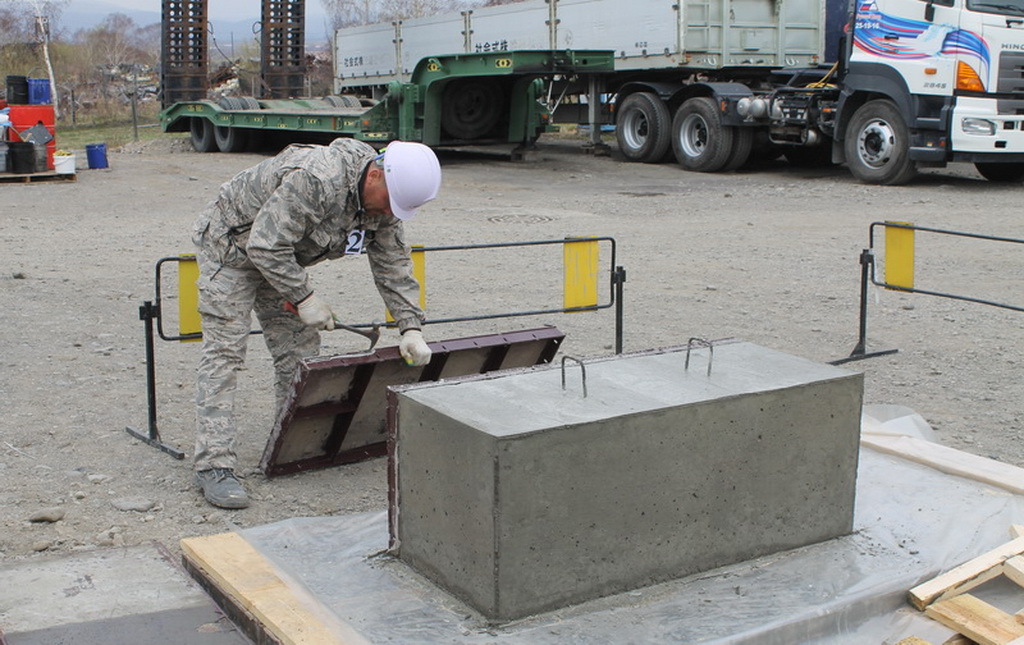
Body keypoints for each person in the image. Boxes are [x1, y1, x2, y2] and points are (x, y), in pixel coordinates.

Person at [190, 138, 442, 509]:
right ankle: (214, 465)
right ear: (375, 173)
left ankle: (286, 450)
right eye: (390, 201)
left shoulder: (388, 199)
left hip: (283, 258)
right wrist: (305, 298)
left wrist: (411, 327)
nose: (391, 211)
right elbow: (264, 245)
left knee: (299, 352)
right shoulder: (318, 179)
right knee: (225, 352)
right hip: (232, 251)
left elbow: (393, 264)